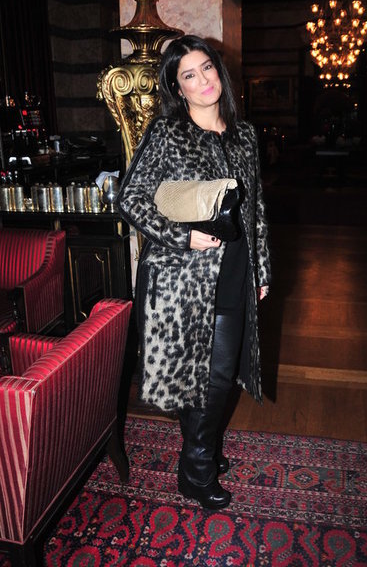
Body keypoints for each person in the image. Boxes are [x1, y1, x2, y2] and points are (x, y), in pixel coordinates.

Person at [116, 34, 271, 510]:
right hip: (180, 279)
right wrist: (181, 236)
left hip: (235, 270)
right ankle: (197, 470)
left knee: (217, 374)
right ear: (177, 87)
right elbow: (129, 198)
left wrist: (263, 269)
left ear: (218, 71)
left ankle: (201, 451)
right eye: (189, 74)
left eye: (207, 68)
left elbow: (256, 209)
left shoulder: (245, 135)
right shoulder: (168, 133)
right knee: (205, 377)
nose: (203, 80)